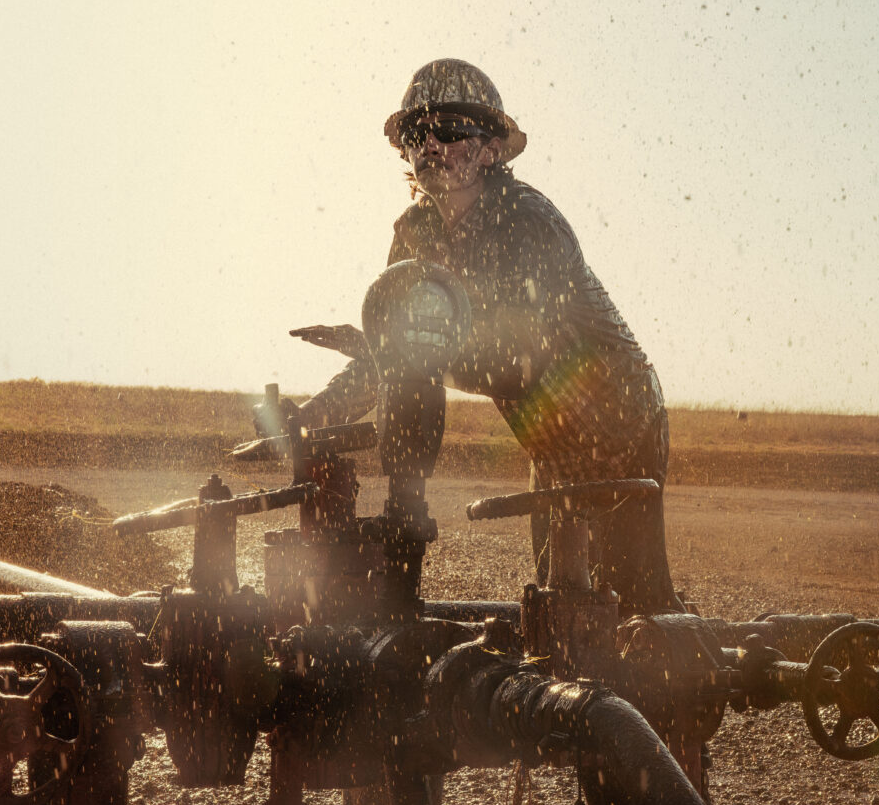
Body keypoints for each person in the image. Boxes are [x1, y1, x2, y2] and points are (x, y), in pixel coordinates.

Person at [284, 59, 679, 618]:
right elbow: (396, 356)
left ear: (490, 150)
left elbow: (520, 354)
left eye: (449, 130)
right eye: (417, 134)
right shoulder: (414, 232)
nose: (431, 145)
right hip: (552, 444)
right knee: (562, 609)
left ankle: (697, 659)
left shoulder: (528, 220)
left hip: (621, 424)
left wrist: (394, 347)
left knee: (636, 614)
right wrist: (310, 417)